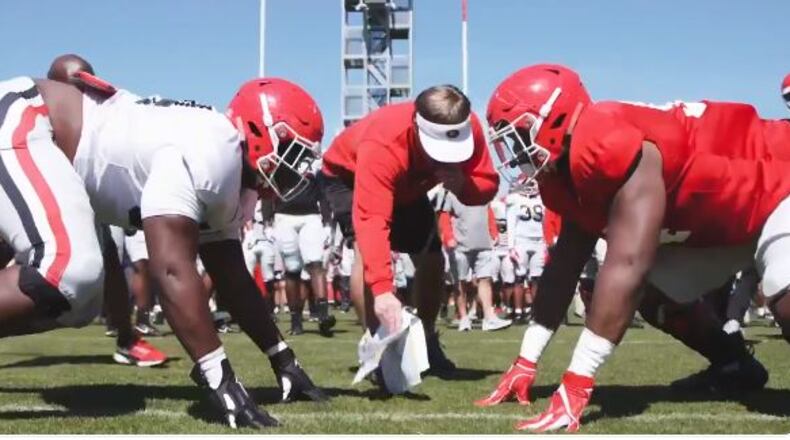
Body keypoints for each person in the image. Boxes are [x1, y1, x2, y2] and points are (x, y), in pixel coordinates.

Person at [477, 63, 790, 432]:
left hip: (775, 186)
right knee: (650, 294)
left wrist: (577, 383)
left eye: (519, 135)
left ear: (554, 118)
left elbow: (629, 264)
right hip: (723, 218)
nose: (515, 152)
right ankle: (734, 364)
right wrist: (526, 360)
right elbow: (564, 266)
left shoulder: (609, 142)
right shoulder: (568, 170)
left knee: (785, 297)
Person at [25, 68, 328, 428]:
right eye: (293, 151)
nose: (298, 170)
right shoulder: (212, 148)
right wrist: (220, 378)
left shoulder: (228, 169)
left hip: (49, 145)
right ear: (260, 130)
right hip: (32, 128)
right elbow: (169, 268)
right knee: (74, 279)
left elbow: (231, 278)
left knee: (72, 285)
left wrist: (283, 359)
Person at [320, 84, 499, 374]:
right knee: (365, 253)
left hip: (409, 188)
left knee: (432, 258)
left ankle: (428, 338)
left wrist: (465, 186)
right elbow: (372, 222)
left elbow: (487, 184)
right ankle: (379, 348)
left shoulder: (469, 127)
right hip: (349, 176)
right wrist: (383, 290)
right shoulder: (384, 144)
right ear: (417, 129)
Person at [47, 54, 167, 365]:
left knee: (110, 258)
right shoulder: (35, 116)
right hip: (41, 192)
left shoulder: (100, 115)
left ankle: (126, 339)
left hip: (84, 193)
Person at [438, 189, 511, 332]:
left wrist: (493, 232)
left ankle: (489, 318)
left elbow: (488, 212)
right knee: (460, 281)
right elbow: (444, 216)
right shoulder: (451, 193)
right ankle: (463, 318)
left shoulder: (482, 192)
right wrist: (448, 237)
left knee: (485, 279)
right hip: (459, 244)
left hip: (483, 243)